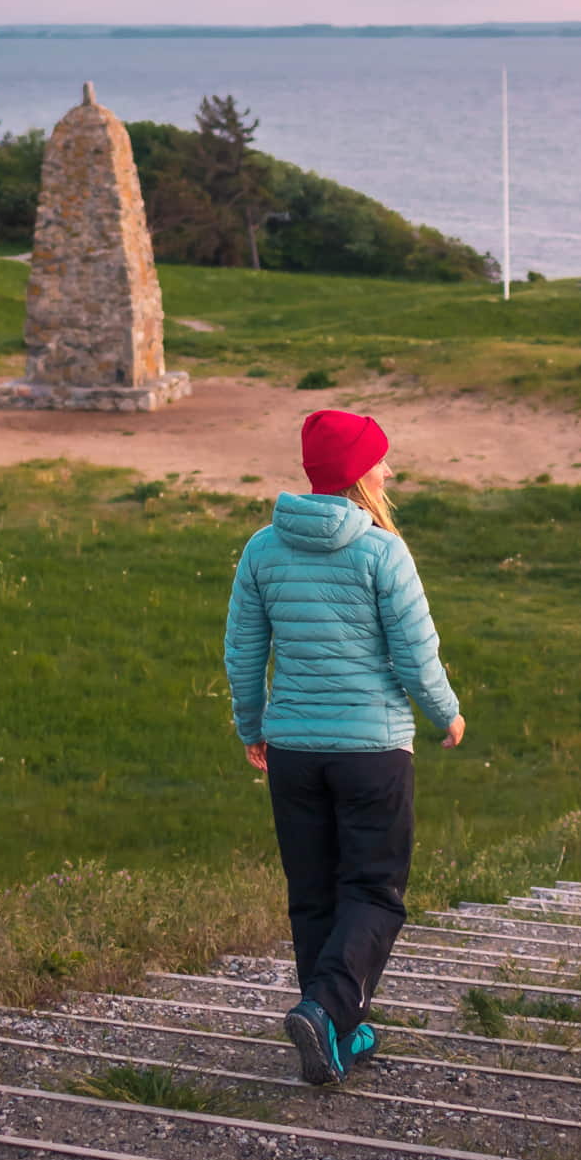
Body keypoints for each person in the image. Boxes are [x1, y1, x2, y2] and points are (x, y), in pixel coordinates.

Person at [224, 408, 465, 1086]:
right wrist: (447, 713)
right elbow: (417, 653)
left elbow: (243, 652)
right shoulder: (382, 550)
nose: (388, 470)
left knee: (314, 893)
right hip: (371, 750)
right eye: (381, 460)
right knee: (376, 891)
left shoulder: (262, 548)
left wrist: (253, 727)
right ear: (360, 475)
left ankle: (337, 1031)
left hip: (294, 750)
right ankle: (327, 1008)